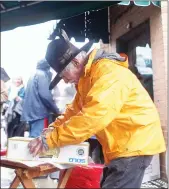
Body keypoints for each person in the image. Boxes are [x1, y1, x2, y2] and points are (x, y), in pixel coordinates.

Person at [28, 30, 166, 188]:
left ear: (75, 62)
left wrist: (51, 139)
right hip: (123, 144)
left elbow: (92, 117)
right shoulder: (87, 78)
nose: (65, 81)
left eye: (64, 75)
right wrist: (52, 129)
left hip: (134, 143)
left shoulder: (108, 72)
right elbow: (73, 112)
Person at [21, 59, 60, 138]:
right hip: (39, 113)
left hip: (32, 112)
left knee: (33, 137)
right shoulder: (42, 75)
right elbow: (45, 95)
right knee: (38, 138)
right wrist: (56, 110)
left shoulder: (33, 74)